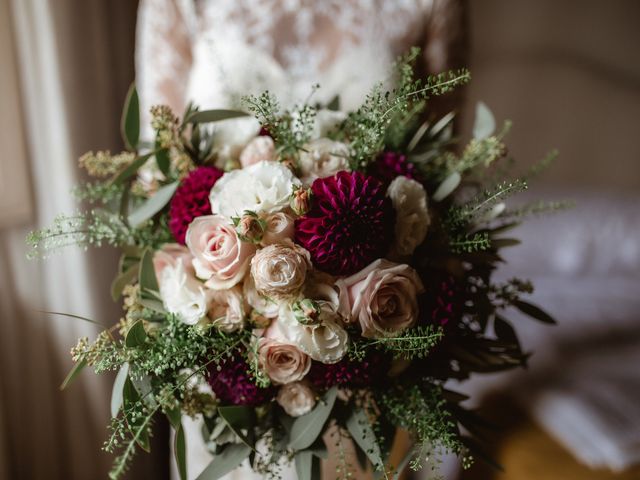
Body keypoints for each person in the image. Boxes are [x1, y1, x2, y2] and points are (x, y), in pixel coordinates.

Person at [135, 1, 467, 478]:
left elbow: (443, 175)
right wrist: (233, 300)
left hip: (369, 370)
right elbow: (156, 173)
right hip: (220, 360)